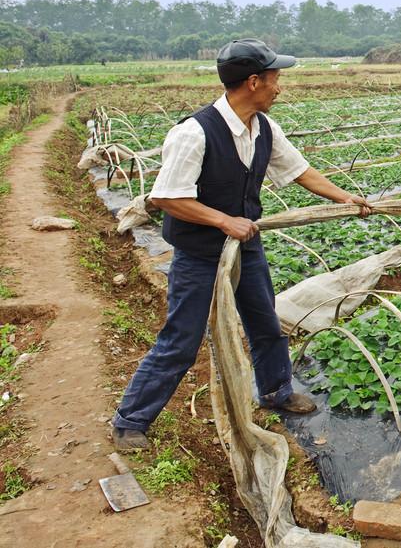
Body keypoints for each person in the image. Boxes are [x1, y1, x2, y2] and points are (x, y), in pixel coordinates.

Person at [111, 39, 371, 451]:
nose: (279, 87)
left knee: (266, 324)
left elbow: (300, 170)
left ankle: (276, 392)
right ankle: (131, 421)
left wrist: (344, 197)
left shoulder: (264, 127)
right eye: (275, 79)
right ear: (253, 82)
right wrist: (222, 220)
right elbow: (166, 197)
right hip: (199, 254)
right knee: (182, 337)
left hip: (246, 249)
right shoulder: (193, 132)